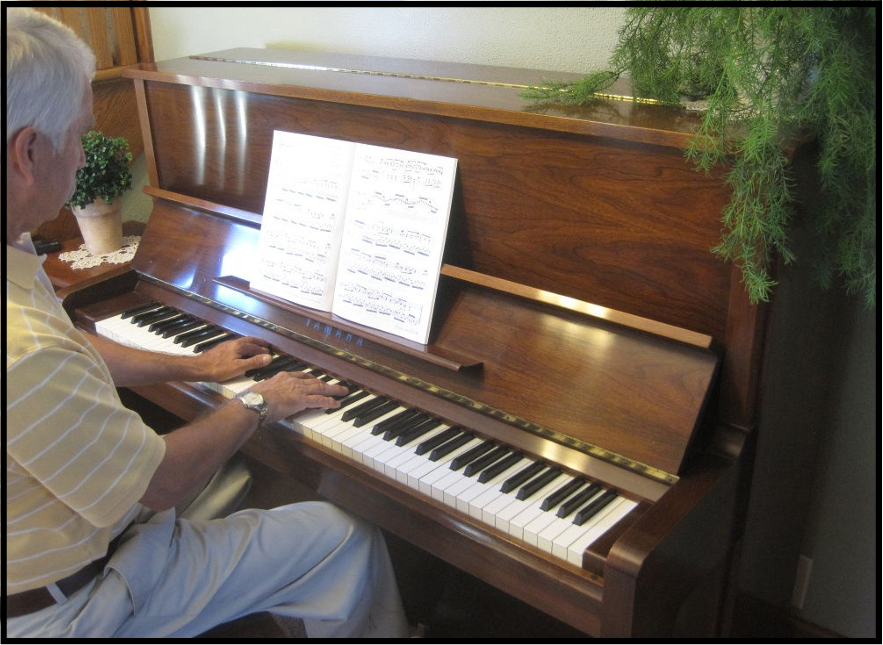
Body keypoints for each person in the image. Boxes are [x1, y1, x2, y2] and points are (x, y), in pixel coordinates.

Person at [5, 7, 410, 639]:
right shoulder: (21, 350)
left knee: (238, 474)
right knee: (342, 537)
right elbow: (161, 481)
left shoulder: (14, 258)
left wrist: (192, 364)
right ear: (28, 153)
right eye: (79, 134)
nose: (84, 155)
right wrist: (259, 401)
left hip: (52, 542)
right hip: (67, 606)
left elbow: (73, 346)